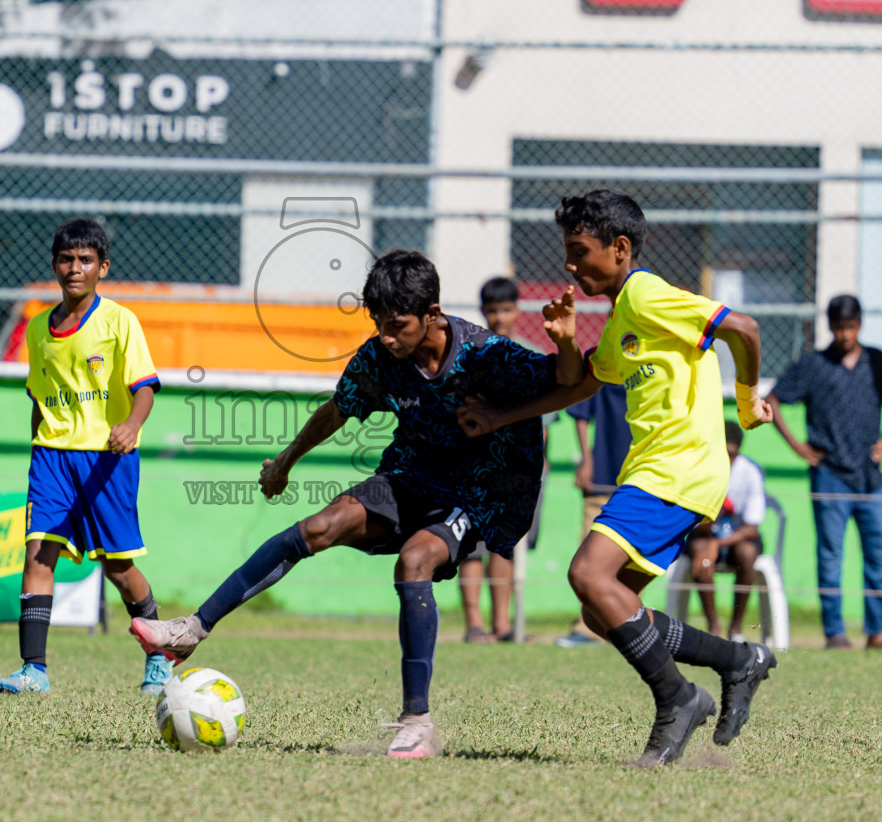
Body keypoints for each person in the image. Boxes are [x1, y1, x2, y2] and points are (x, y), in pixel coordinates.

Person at [132, 251, 578, 757]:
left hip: (481, 489)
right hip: (410, 474)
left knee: (415, 561)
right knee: (320, 526)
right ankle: (192, 628)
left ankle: (418, 722)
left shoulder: (486, 354)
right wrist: (286, 461)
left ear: (431, 314)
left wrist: (564, 342)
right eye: (378, 324)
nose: (386, 337)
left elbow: (566, 379)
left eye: (397, 326)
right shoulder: (380, 358)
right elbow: (338, 409)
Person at [460, 189, 778, 767]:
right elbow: (579, 383)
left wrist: (747, 399)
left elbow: (746, 330)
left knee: (588, 572)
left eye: (580, 252)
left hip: (677, 469)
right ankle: (737, 661)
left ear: (620, 247)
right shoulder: (622, 317)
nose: (570, 265)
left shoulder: (647, 294)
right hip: (662, 472)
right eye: (567, 252)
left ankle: (677, 699)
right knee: (604, 607)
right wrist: (516, 399)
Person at [0, 217, 170, 696]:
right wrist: (37, 450)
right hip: (51, 457)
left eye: (86, 260)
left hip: (106, 458)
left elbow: (145, 388)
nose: (75, 268)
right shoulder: (37, 330)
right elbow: (39, 397)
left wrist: (131, 426)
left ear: (102, 267)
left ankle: (160, 652)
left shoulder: (119, 322)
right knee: (38, 552)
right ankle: (34, 670)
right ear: (55, 266)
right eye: (67, 259)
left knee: (118, 568)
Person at [767, 294, 882, 650]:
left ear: (860, 325)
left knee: (879, 554)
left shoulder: (875, 361)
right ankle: (835, 634)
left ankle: (876, 632)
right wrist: (798, 447)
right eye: (839, 327)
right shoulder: (814, 365)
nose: (845, 334)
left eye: (851, 327)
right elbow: (773, 400)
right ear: (830, 327)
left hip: (870, 475)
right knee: (831, 555)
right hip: (829, 472)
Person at [458, 276, 548, 643]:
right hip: (475, 467)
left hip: (518, 471)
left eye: (506, 309)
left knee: (505, 544)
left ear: (518, 309)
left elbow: (544, 423)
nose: (499, 317)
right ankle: (475, 625)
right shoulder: (469, 356)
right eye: (492, 310)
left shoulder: (531, 357)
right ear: (483, 312)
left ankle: (503, 626)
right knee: (469, 546)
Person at [554, 383, 630, 648]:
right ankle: (586, 627)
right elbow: (582, 412)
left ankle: (628, 626)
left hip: (642, 482)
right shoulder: (607, 358)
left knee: (633, 561)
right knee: (589, 559)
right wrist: (586, 459)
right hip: (601, 481)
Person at [684, 421, 767, 640]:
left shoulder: (750, 472)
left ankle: (736, 628)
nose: (727, 460)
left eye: (732, 454)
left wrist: (717, 543)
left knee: (747, 553)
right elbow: (691, 522)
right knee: (700, 551)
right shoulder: (700, 471)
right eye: (722, 453)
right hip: (706, 536)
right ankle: (714, 628)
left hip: (736, 541)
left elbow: (751, 528)